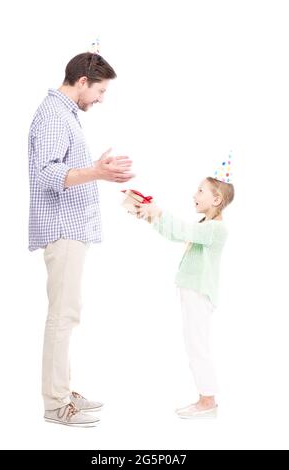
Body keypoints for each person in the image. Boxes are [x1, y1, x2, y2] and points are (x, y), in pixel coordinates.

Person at [28, 51, 134, 427]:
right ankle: (55, 403)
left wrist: (95, 171)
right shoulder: (55, 115)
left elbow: (60, 169)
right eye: (100, 91)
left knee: (66, 314)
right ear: (83, 81)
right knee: (62, 316)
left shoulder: (63, 114)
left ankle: (61, 390)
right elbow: (46, 174)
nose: (102, 99)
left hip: (70, 228)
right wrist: (96, 172)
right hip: (63, 228)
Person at [128, 155, 234, 418]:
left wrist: (159, 213)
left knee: (197, 346)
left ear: (216, 200)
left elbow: (182, 231)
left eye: (201, 191)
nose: (194, 194)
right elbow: (174, 232)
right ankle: (205, 399)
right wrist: (152, 216)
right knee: (193, 345)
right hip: (192, 292)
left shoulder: (216, 229)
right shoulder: (205, 226)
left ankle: (207, 401)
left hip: (199, 293)